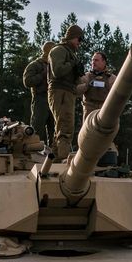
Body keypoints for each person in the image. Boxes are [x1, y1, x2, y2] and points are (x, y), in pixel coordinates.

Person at [48, 25, 84, 161]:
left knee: (61, 127)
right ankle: (64, 159)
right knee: (65, 127)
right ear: (72, 37)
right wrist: (72, 64)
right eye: (79, 39)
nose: (79, 43)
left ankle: (55, 158)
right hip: (60, 91)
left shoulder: (69, 53)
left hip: (67, 92)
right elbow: (57, 71)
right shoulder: (59, 50)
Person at [23, 41, 56, 144]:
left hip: (54, 99)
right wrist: (42, 74)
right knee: (37, 129)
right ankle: (34, 151)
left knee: (54, 130)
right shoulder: (35, 65)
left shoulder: (55, 66)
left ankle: (54, 154)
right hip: (40, 99)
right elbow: (27, 81)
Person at [75, 51, 116, 118]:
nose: (93, 62)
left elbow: (116, 96)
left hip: (104, 109)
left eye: (96, 60)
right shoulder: (86, 76)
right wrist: (87, 85)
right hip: (89, 109)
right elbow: (76, 91)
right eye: (92, 60)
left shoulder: (111, 78)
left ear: (104, 62)